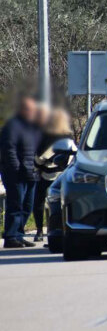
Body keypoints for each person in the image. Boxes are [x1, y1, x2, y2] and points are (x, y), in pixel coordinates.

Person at [0, 96, 39, 248]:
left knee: (27, 206)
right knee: (16, 205)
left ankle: (19, 234)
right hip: (16, 174)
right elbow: (9, 150)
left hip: (30, 172)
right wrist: (16, 169)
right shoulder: (12, 126)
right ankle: (11, 236)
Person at [33, 108, 74, 242]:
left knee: (39, 202)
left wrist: (38, 166)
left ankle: (40, 231)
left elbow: (39, 158)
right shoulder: (68, 136)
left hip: (47, 175)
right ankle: (62, 229)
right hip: (64, 176)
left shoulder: (45, 136)